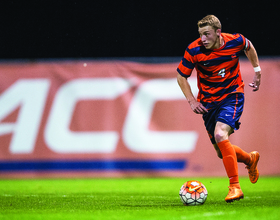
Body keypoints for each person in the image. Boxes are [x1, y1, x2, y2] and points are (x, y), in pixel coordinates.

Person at [177, 15, 261, 203]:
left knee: (220, 135)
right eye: (200, 34)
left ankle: (235, 187)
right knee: (220, 150)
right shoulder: (194, 49)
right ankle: (249, 159)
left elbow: (249, 47)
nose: (203, 39)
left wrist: (257, 71)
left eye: (206, 34)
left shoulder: (235, 41)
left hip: (232, 95)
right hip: (208, 102)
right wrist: (191, 101)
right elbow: (181, 76)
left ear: (218, 32)